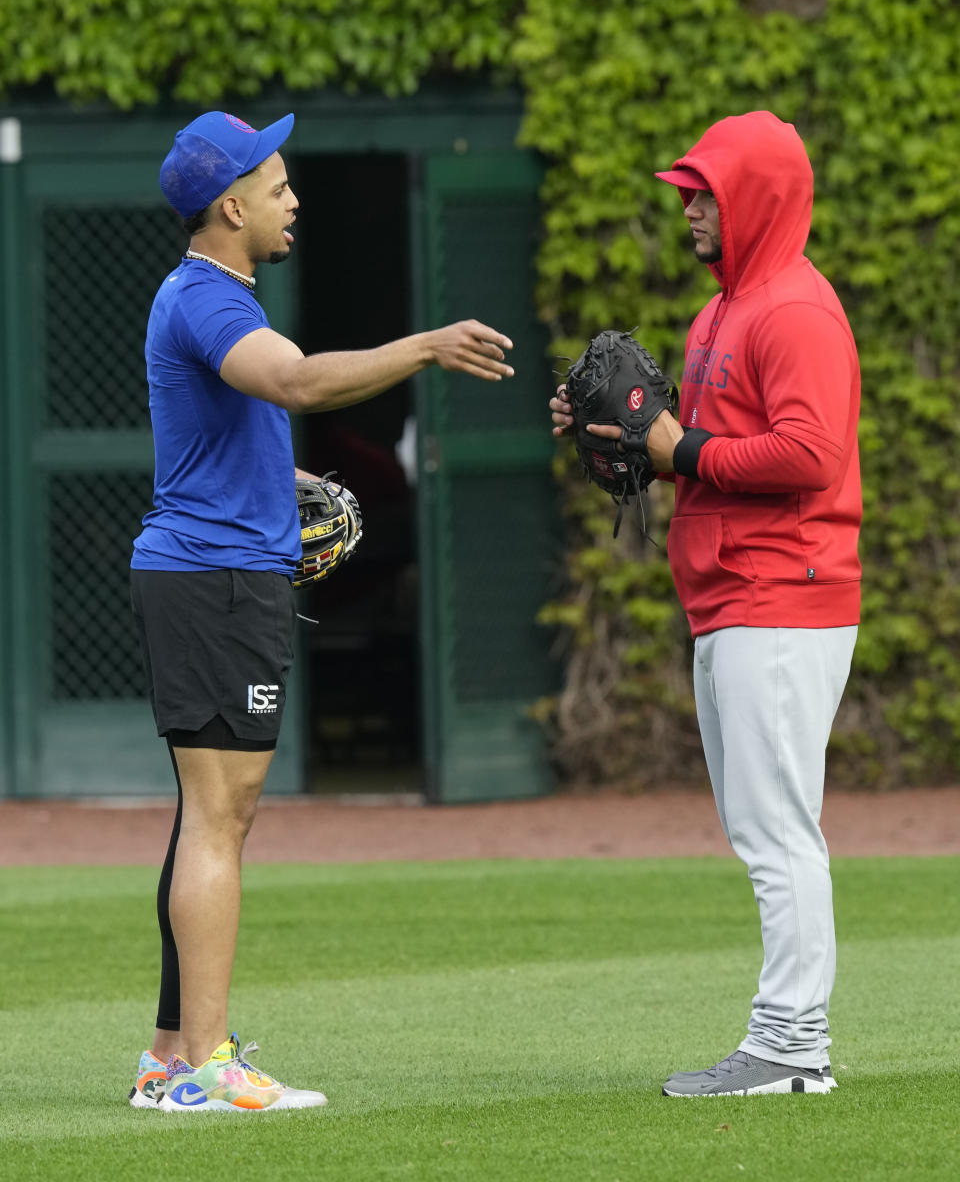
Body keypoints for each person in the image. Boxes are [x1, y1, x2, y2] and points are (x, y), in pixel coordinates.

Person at [129, 110, 514, 1113]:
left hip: (218, 576)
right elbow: (296, 380)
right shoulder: (211, 302)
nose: (294, 199)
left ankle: (173, 1057)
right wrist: (426, 346)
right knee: (221, 818)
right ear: (231, 204)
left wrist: (273, 483)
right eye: (280, 184)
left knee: (211, 819)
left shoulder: (215, 301)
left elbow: (230, 429)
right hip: (210, 586)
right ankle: (205, 1067)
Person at [551, 110, 861, 1097]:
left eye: (706, 192)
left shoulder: (795, 311)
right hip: (733, 595)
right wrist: (609, 433)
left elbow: (809, 455)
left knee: (779, 834)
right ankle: (788, 1040)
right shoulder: (723, 310)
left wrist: (676, 451)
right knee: (764, 830)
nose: (687, 206)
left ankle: (791, 1045)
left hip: (786, 595)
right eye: (688, 190)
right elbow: (681, 442)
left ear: (758, 199)